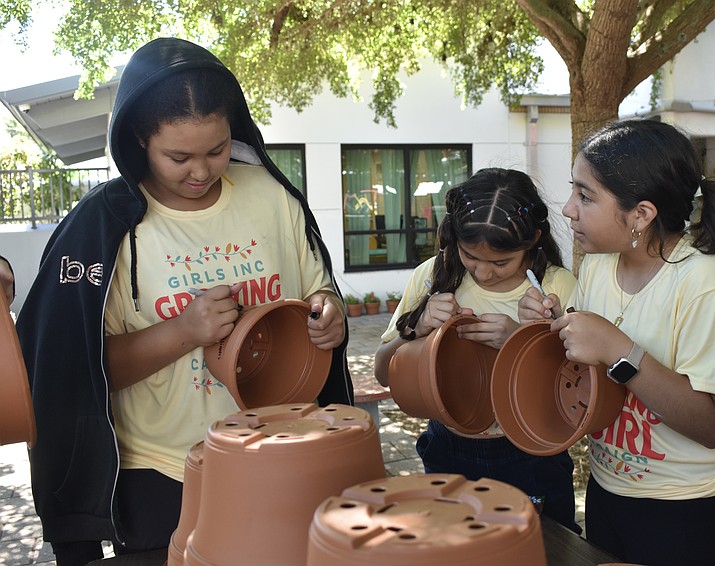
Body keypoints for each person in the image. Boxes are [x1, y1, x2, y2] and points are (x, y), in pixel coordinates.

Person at [15, 38, 353, 565]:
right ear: (137, 140)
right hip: (158, 474)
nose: (201, 172)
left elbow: (317, 287)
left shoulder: (270, 196)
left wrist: (328, 313)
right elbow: (70, 371)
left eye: (216, 150)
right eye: (179, 156)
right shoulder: (107, 229)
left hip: (276, 452)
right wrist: (184, 332)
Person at [520, 119, 715, 565]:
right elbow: (588, 373)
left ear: (642, 215)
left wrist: (620, 350)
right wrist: (556, 329)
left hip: (685, 509)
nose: (569, 208)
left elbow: (712, 426)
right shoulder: (596, 267)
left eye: (585, 195)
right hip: (608, 487)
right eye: (574, 190)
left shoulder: (707, 284)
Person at [374, 167, 580, 532]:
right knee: (454, 546)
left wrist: (523, 342)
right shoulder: (432, 276)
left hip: (531, 455)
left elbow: (576, 394)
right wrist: (417, 330)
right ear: (453, 238)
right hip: (447, 447)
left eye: (501, 262)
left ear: (532, 240)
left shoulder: (557, 287)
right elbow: (382, 372)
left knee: (540, 548)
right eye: (471, 256)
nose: (483, 273)